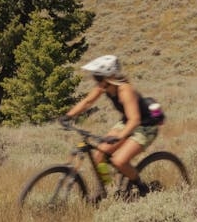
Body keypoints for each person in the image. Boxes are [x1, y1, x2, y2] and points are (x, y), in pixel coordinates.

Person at [61, 55, 156, 197]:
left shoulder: (125, 90)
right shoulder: (104, 86)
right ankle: (109, 191)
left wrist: (119, 137)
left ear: (109, 76)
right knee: (100, 154)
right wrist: (68, 116)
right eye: (96, 77)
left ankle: (143, 188)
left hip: (145, 126)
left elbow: (135, 120)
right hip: (127, 122)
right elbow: (87, 102)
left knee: (119, 161)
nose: (96, 81)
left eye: (98, 77)